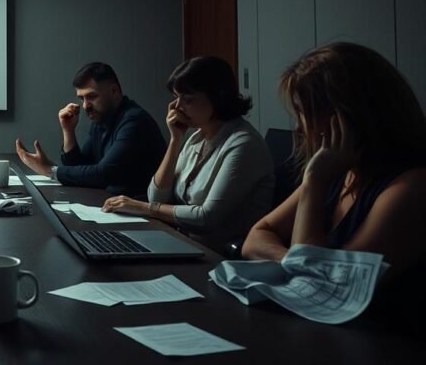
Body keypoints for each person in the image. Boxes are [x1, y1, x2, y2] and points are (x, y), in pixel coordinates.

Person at [242, 43, 426, 327]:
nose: (299, 127)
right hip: (323, 331)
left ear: (349, 114)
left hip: (383, 341)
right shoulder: (339, 172)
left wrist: (314, 180)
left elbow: (319, 291)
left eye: (305, 112)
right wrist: (294, 261)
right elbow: (256, 236)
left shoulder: (411, 188)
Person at [101, 56, 274, 254]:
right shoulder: (197, 137)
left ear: (217, 98)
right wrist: (175, 140)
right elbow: (156, 197)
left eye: (187, 99)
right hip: (185, 243)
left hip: (218, 254)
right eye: (176, 97)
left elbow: (206, 218)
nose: (176, 106)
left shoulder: (244, 144)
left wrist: (144, 208)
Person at [15, 62, 165, 195]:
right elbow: (80, 169)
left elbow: (103, 174)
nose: (85, 106)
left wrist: (50, 170)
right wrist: (68, 131)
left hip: (142, 210)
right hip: (113, 203)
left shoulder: (134, 121)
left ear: (114, 91)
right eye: (82, 98)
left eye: (92, 96)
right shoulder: (102, 119)